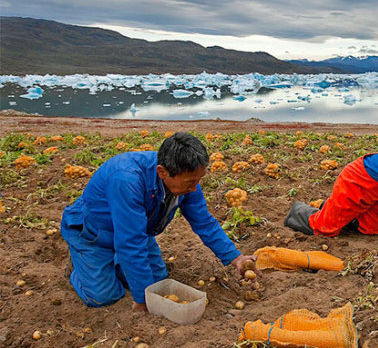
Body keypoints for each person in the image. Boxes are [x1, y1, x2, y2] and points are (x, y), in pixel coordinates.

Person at [61, 132, 258, 311]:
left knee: (158, 280)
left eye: (198, 180)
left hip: (135, 229)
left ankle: (109, 265)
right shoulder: (127, 180)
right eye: (190, 182)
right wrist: (142, 299)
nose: (194, 188)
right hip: (92, 233)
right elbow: (130, 244)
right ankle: (79, 271)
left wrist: (236, 258)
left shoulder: (185, 180)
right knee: (104, 297)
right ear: (162, 172)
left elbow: (204, 222)